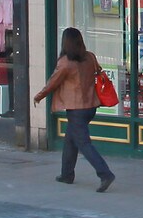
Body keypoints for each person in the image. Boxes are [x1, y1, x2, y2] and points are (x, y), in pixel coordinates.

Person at [35, 26, 114, 191]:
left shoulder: (65, 63)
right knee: (70, 140)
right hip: (91, 106)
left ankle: (105, 174)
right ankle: (66, 174)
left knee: (84, 143)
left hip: (76, 108)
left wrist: (39, 96)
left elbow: (52, 83)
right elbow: (98, 72)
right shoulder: (90, 57)